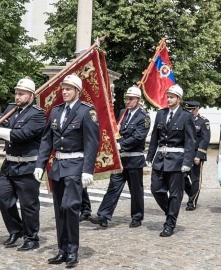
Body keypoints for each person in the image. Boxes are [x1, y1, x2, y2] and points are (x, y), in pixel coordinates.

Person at [35, 74, 99, 268]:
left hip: (76, 165)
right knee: (59, 210)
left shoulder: (86, 111)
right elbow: (47, 140)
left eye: (68, 89)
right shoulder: (55, 111)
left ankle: (72, 250)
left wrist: (88, 170)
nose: (64, 92)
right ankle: (62, 250)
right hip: (58, 167)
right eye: (63, 88)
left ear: (77, 91)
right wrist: (40, 164)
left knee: (70, 207)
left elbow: (91, 142)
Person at [0, 77, 46, 251]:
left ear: (31, 95)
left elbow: (21, 135)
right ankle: (16, 229)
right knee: (3, 198)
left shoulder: (38, 114)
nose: (17, 96)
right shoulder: (11, 109)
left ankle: (31, 237)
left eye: (21, 94)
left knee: (28, 205)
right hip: (9, 164)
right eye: (16, 93)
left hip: (27, 165)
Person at [89, 86, 150, 228]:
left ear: (138, 100)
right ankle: (103, 216)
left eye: (131, 99)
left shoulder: (144, 117)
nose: (128, 101)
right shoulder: (123, 113)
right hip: (120, 159)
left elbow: (138, 137)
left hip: (134, 158)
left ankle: (137, 217)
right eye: (127, 99)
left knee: (136, 190)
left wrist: (121, 145)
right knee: (114, 187)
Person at [146, 84, 196, 237]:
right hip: (160, 159)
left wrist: (187, 162)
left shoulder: (186, 116)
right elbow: (155, 136)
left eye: (172, 97)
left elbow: (190, 141)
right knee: (156, 189)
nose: (168, 99)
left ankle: (170, 223)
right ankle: (170, 212)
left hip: (177, 160)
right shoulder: (161, 114)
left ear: (179, 99)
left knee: (175, 194)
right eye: (167, 96)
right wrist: (149, 156)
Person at [182, 101, 210, 211]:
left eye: (191, 110)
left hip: (195, 153)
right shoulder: (183, 119)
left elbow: (205, 139)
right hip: (184, 153)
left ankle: (191, 202)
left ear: (197, 109)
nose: (189, 112)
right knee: (182, 178)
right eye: (187, 110)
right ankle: (191, 194)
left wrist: (199, 155)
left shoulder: (203, 122)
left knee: (195, 179)